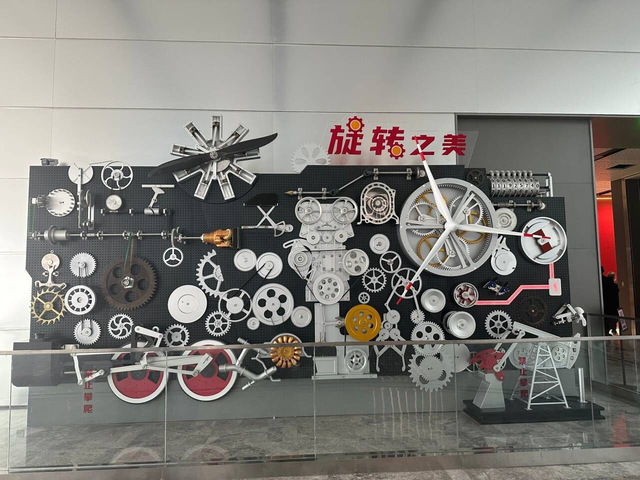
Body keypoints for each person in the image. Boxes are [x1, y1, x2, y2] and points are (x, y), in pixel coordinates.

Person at [602, 266, 620, 335]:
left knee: (609, 319)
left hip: (608, 306)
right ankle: (612, 330)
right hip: (613, 306)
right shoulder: (615, 286)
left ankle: (610, 330)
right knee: (613, 318)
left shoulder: (605, 284)